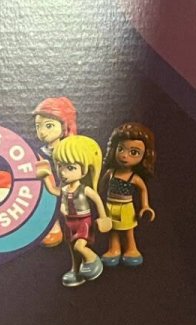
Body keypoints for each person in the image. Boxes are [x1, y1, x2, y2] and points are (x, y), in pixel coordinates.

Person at [50, 134, 111, 287]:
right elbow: (53, 191)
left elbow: (97, 200)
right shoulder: (64, 189)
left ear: (84, 171)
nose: (63, 172)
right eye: (60, 166)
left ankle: (92, 259)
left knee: (79, 246)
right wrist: (44, 177)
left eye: (70, 168)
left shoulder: (84, 189)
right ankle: (75, 270)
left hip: (83, 222)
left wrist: (104, 217)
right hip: (69, 223)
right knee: (72, 248)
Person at [100, 123, 157, 267]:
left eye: (134, 152)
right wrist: (98, 200)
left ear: (145, 156)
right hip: (110, 205)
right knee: (112, 229)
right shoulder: (110, 173)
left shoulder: (134, 178)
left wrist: (145, 206)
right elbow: (101, 186)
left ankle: (131, 249)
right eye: (120, 149)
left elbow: (143, 190)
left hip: (126, 207)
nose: (124, 155)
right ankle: (114, 249)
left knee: (128, 230)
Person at [31, 96, 77, 247]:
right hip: (49, 191)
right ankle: (51, 224)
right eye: (38, 126)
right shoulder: (39, 153)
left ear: (64, 126)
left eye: (49, 126)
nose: (42, 132)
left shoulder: (71, 151)